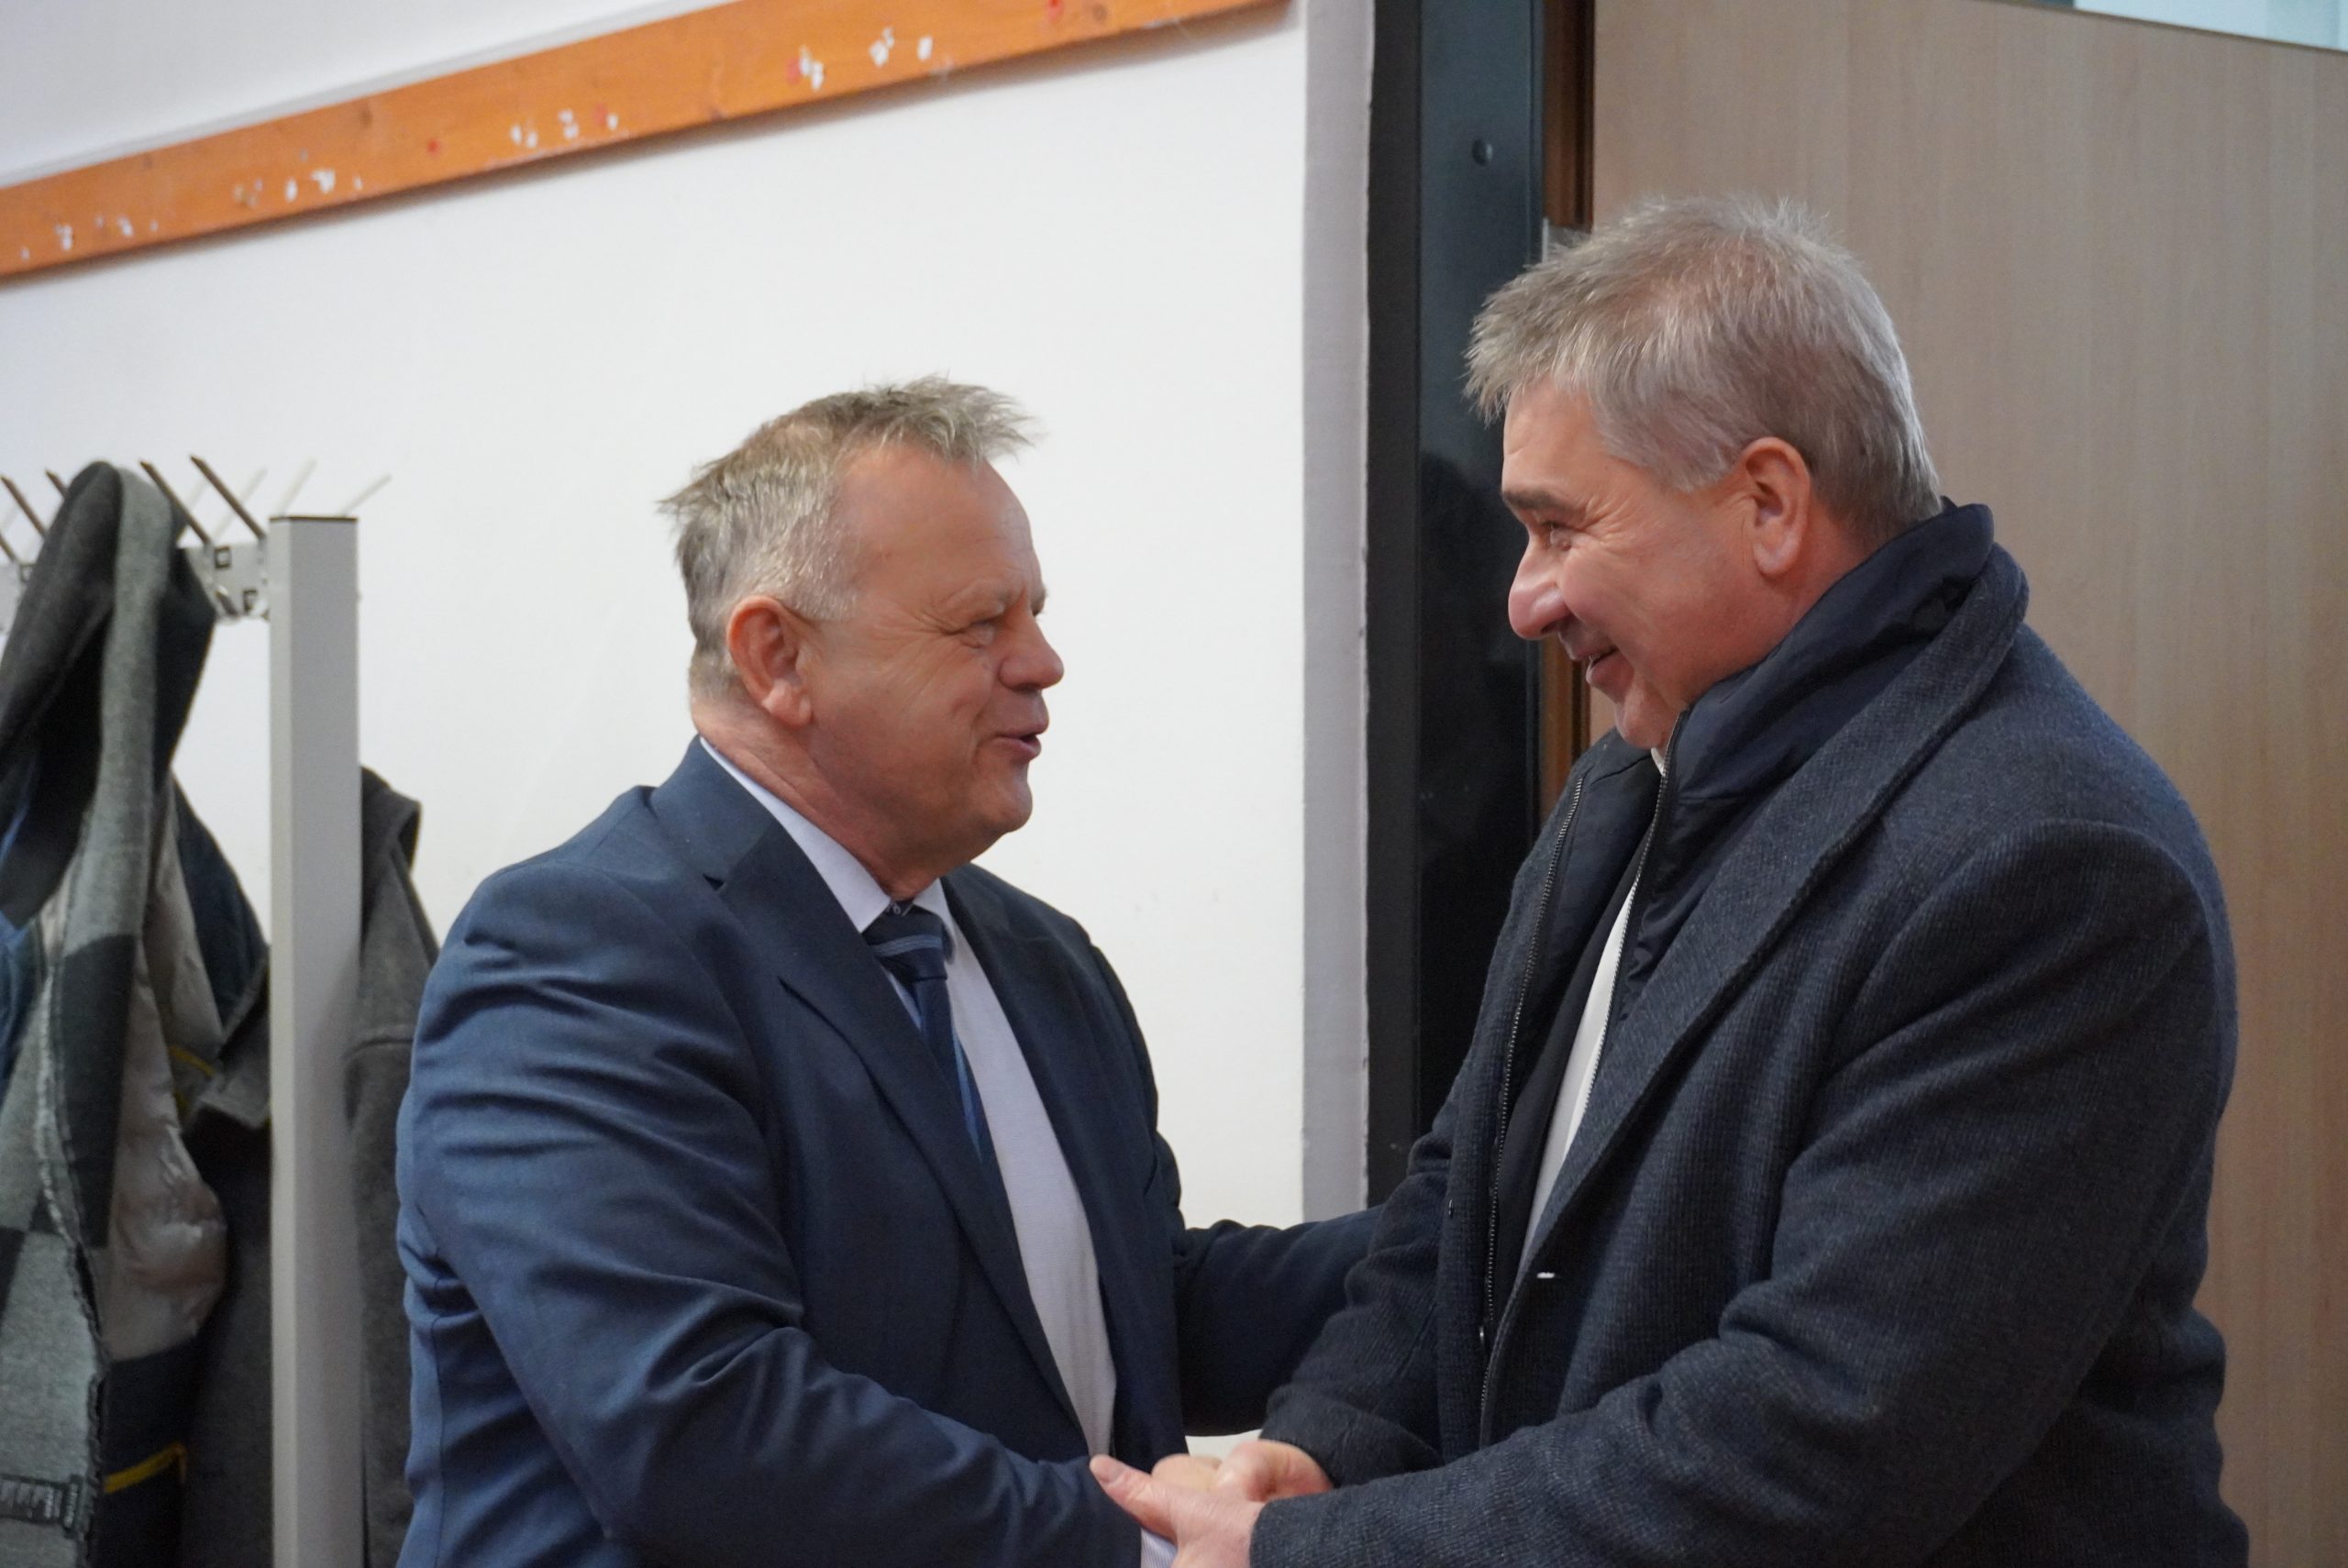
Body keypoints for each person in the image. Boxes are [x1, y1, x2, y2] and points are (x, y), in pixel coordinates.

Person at [1094, 196, 2248, 1566]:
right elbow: (1467, 1202)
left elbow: (1815, 1442)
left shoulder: (2050, 868)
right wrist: (1333, 1441)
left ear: (1768, 504)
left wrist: (1318, 1555)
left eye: (1560, 529)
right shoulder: (1638, 770)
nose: (1523, 599)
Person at [395, 380, 1373, 1568]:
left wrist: (1483, 1227)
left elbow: (1129, 1312)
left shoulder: (1039, 959)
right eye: (980, 624)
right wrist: (1147, 1549)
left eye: (1036, 614)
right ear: (778, 657)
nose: (1044, 662)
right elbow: (705, 1433)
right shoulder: (579, 957)